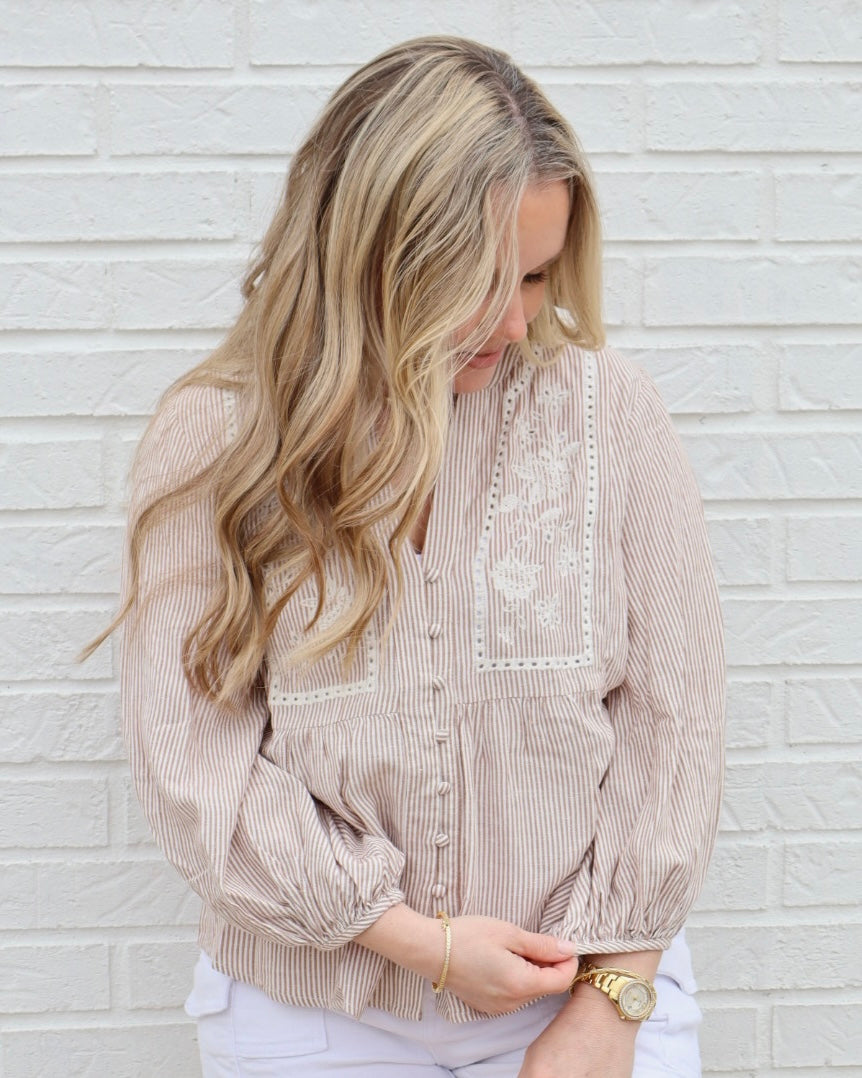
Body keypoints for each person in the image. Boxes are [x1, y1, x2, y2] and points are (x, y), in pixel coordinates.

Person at [101, 35, 725, 1078]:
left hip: (588, 993)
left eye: (537, 276)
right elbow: (194, 762)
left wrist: (612, 1002)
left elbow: (676, 722)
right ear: (375, 255)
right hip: (311, 1006)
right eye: (479, 281)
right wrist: (417, 941)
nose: (516, 320)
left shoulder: (607, 410)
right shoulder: (220, 438)